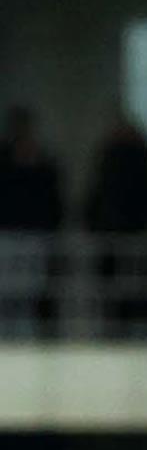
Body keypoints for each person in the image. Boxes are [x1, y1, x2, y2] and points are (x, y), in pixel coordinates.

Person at [84, 118, 147, 340]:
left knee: (135, 296)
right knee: (124, 297)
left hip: (132, 241)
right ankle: (132, 337)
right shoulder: (116, 159)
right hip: (121, 240)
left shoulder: (112, 159)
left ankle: (135, 338)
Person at [0, 106, 64, 340]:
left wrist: (49, 227)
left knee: (30, 291)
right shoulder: (4, 162)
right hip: (6, 234)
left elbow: (53, 201)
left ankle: (26, 338)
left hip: (36, 235)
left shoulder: (45, 163)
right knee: (6, 290)